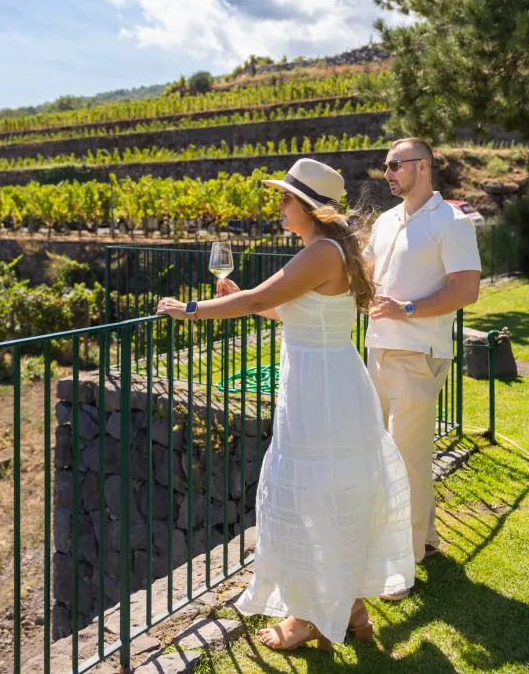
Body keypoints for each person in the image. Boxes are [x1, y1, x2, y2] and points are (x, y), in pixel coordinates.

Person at [157, 158, 414, 651]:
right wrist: (238, 294)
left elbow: (256, 303)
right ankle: (352, 608)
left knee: (309, 498)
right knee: (332, 491)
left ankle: (307, 616)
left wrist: (189, 309)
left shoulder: (320, 252)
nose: (278, 205)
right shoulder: (328, 249)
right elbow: (291, 310)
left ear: (310, 208)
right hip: (331, 383)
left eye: (286, 198)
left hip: (319, 390)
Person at [365, 138, 481, 587]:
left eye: (396, 165)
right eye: (386, 165)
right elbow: (369, 272)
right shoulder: (386, 220)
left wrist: (407, 309)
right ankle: (423, 538)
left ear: (423, 167)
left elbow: (466, 289)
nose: (388, 172)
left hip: (419, 353)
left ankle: (404, 562)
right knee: (388, 455)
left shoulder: (451, 222)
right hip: (379, 349)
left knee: (407, 461)